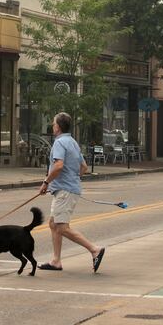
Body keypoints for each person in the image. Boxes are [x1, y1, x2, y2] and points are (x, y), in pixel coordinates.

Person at [38, 112, 105, 273]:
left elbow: (59, 165)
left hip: (64, 190)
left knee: (61, 227)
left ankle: (94, 249)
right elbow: (84, 167)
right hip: (69, 188)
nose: (52, 126)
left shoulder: (60, 143)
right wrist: (73, 179)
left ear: (58, 127)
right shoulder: (73, 142)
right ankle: (56, 261)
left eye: (54, 124)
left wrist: (46, 182)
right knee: (54, 224)